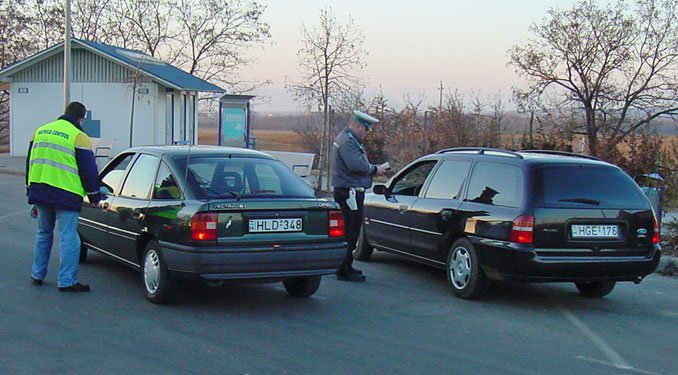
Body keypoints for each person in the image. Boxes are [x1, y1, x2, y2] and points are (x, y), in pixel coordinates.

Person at [26, 101, 102, 292]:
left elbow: (29, 163)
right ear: (81, 119)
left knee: (43, 233)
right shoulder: (78, 136)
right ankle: (67, 281)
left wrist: (30, 190)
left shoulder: (40, 131)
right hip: (66, 195)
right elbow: (89, 170)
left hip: (40, 191)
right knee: (69, 237)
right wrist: (95, 197)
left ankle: (37, 275)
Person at [331, 110, 389, 282]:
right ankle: (343, 268)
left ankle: (346, 265)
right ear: (357, 126)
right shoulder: (348, 142)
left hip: (349, 190)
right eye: (365, 129)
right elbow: (356, 166)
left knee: (351, 230)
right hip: (349, 192)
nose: (366, 133)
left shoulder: (346, 139)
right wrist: (375, 169)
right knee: (350, 231)